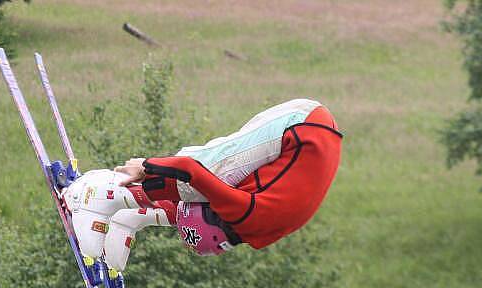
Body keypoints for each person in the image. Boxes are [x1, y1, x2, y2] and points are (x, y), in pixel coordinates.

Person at [62, 98, 343, 271]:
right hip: (302, 126)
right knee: (209, 174)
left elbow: (194, 208)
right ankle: (102, 190)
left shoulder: (252, 229)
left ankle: (129, 215)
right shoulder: (245, 216)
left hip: (312, 136)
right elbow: (191, 171)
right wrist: (145, 167)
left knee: (208, 186)